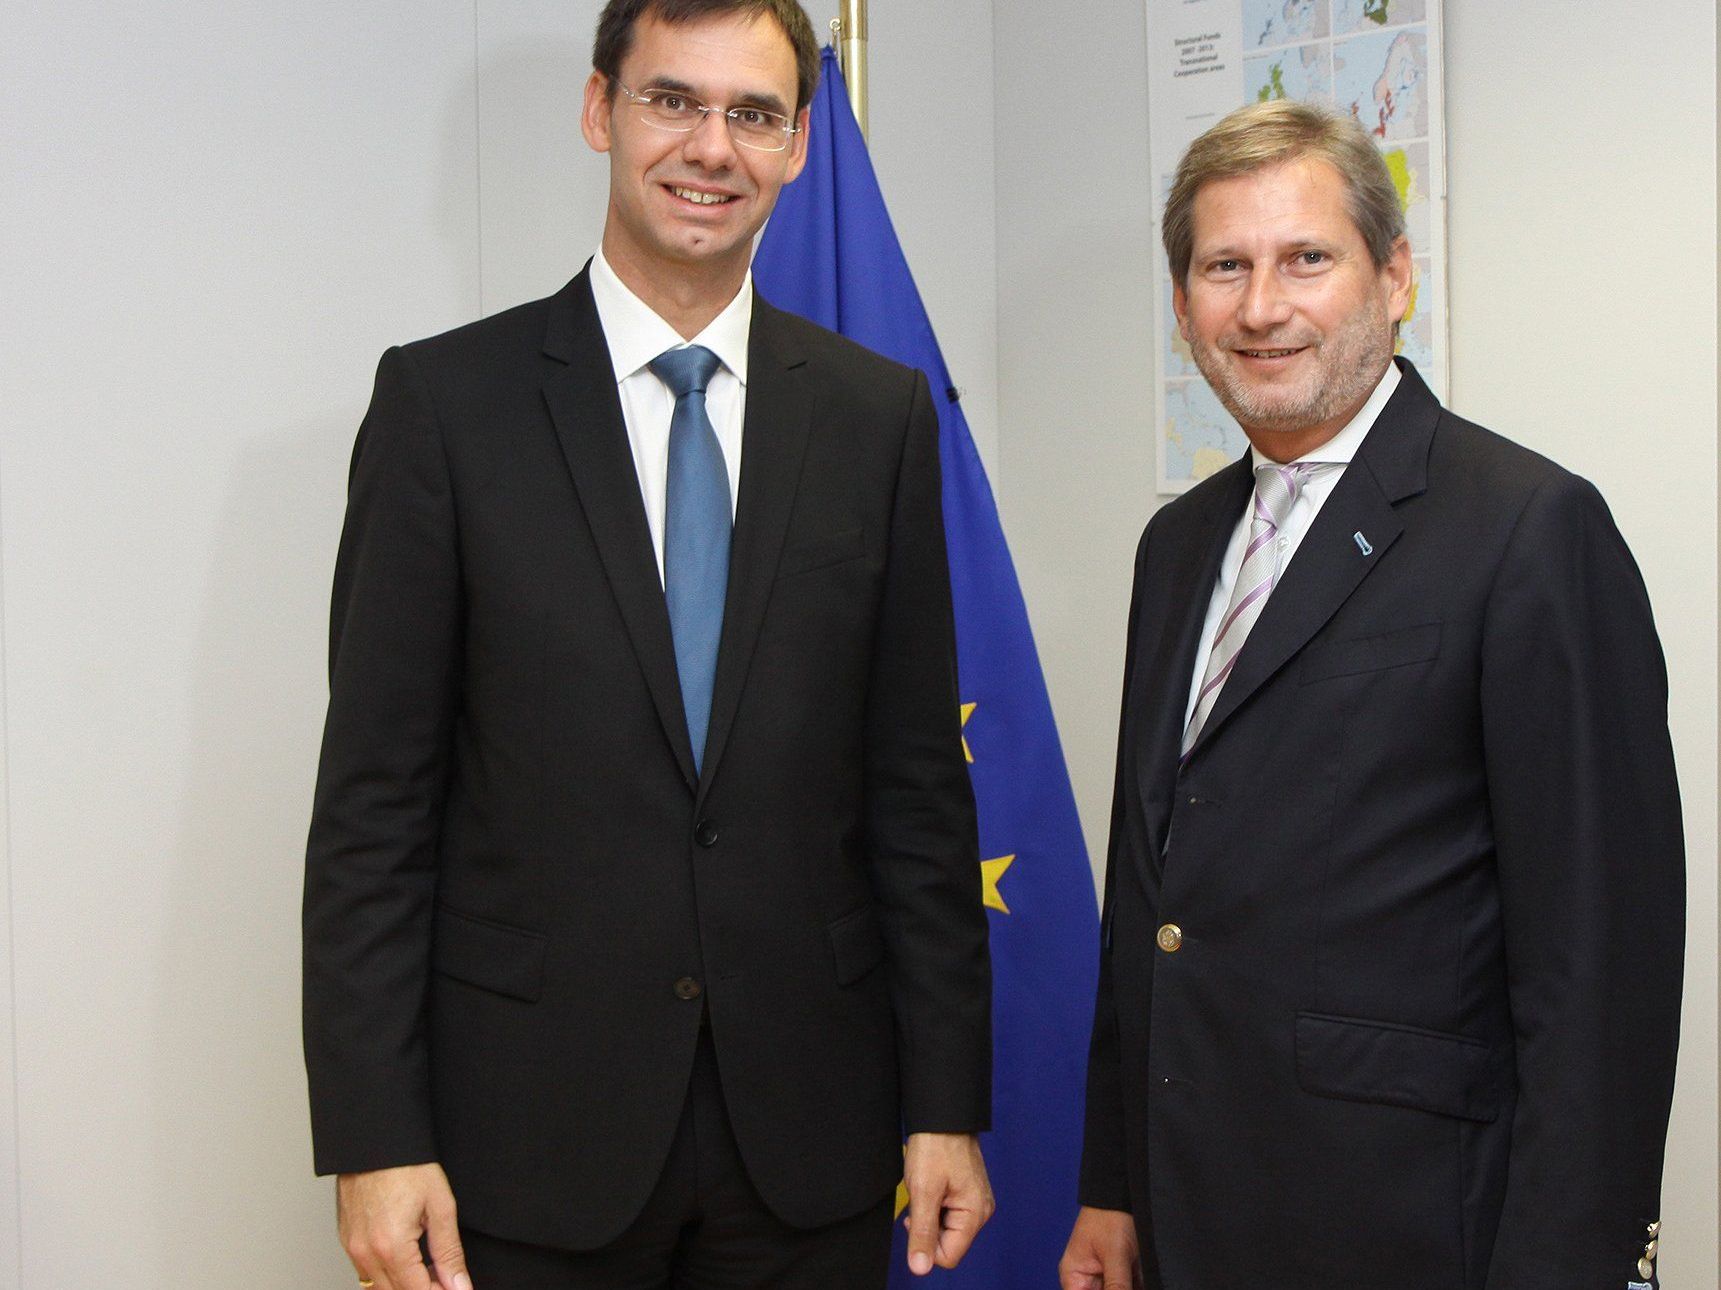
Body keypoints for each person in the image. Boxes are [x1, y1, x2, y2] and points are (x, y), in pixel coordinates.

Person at [302, 2, 994, 1286]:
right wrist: (373, 1137)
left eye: (754, 114)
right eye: (672, 100)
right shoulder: (445, 410)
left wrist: (945, 1100)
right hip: (522, 1140)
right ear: (597, 112)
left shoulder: (874, 418)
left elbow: (914, 789)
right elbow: (373, 811)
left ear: (796, 147)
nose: (710, 147)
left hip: (811, 1140)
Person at [1060, 100, 1684, 1290]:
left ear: (1393, 276)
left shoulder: (1525, 530)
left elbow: (1597, 969)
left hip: (1414, 1227)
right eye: (1221, 267)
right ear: (1183, 302)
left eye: (1306, 259)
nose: (1260, 307)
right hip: (1191, 1209)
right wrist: (1110, 1182)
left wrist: (1566, 1266)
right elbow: (1147, 893)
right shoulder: (1178, 545)